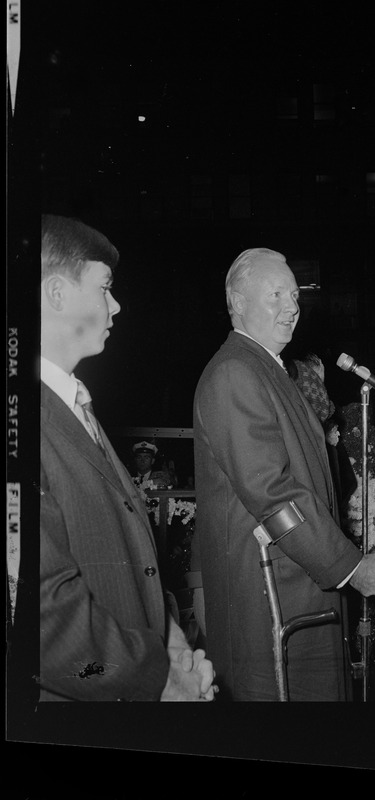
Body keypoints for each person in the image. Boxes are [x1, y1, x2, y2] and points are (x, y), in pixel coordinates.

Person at [192, 247, 375, 701]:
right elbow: (273, 496)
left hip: (295, 582)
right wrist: (350, 567)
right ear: (236, 301)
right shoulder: (236, 372)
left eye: (294, 295)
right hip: (272, 594)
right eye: (275, 294)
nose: (292, 307)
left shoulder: (266, 370)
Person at [38, 214, 215, 701]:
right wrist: (158, 679)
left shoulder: (75, 405)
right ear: (56, 294)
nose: (116, 306)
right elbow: (43, 621)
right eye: (104, 288)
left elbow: (124, 562)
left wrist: (171, 642)